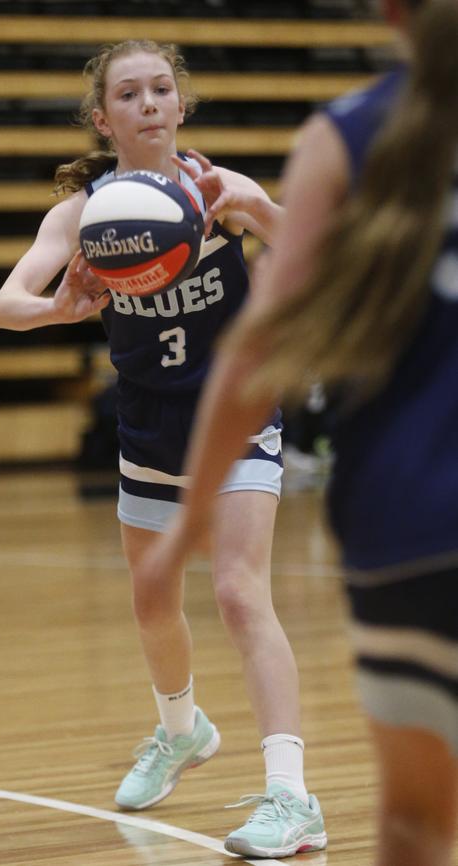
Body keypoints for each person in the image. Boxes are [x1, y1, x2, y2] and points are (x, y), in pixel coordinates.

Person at [0, 39, 326, 858]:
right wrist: (61, 309)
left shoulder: (221, 191)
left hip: (235, 410)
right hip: (148, 421)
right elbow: (5, 306)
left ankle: (293, 799)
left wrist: (263, 210)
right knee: (151, 601)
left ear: (182, 107)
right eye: (129, 94)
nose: (147, 103)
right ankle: (182, 730)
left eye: (161, 89)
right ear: (103, 120)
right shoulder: (82, 215)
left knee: (242, 595)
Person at [139, 1, 458, 863]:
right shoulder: (104, 208)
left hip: (411, 511)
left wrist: (184, 530)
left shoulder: (350, 136)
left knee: (420, 820)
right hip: (400, 506)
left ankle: (288, 793)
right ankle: (279, 791)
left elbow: (257, 352)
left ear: (388, 12)